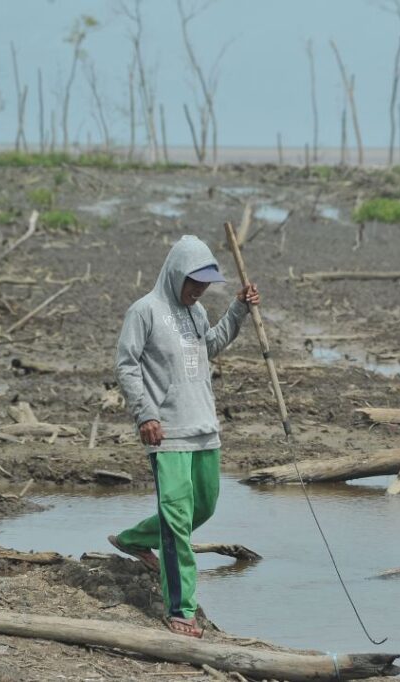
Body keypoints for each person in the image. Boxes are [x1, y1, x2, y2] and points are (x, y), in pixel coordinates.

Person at [108, 234, 259, 638]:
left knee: (201, 509)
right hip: (166, 433)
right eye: (194, 282)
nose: (199, 290)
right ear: (175, 274)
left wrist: (239, 309)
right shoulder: (145, 311)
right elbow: (126, 365)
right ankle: (180, 610)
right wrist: (145, 414)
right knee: (177, 523)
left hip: (204, 428)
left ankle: (132, 538)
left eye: (206, 284)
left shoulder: (196, 313)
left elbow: (209, 347)